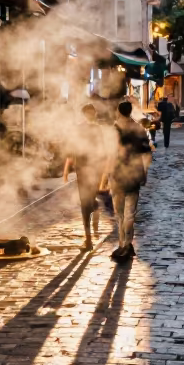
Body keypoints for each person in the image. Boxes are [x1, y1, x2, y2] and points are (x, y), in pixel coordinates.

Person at [63, 104, 110, 250]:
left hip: (86, 169)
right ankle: (90, 231)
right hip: (89, 169)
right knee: (88, 201)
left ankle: (88, 237)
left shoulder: (81, 129)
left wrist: (66, 171)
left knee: (86, 202)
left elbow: (71, 151)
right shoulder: (96, 129)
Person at [109, 99, 152, 263]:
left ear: (119, 112)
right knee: (130, 214)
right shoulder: (139, 128)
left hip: (118, 174)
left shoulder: (114, 130)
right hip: (134, 173)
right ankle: (128, 243)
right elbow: (146, 154)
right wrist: (145, 172)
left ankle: (122, 244)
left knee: (119, 214)